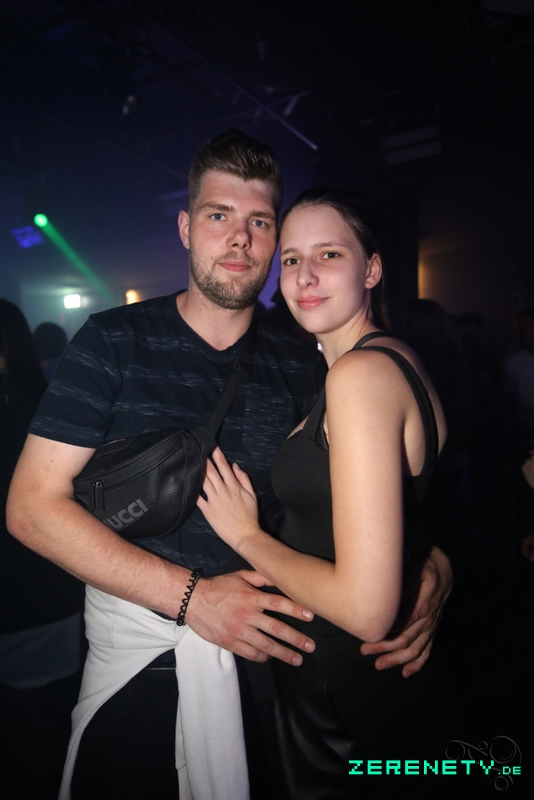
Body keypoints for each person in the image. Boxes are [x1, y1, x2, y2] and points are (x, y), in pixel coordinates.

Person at [7, 133, 451, 800]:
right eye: (219, 215)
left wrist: (434, 564)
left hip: (277, 673)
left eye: (260, 222)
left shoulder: (307, 364)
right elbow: (31, 508)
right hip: (146, 667)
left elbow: (364, 501)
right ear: (187, 228)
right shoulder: (112, 341)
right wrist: (192, 598)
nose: (240, 237)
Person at [197, 188, 456, 798]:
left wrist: (246, 536)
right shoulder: (384, 361)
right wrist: (438, 560)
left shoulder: (360, 375)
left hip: (343, 701)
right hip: (361, 688)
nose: (304, 276)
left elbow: (366, 608)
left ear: (372, 269)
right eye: (291, 259)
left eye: (329, 255)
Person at [0, 300, 83, 800]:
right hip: (51, 594)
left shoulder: (32, 408)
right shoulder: (48, 401)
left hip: (30, 601)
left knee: (31, 747)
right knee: (51, 737)